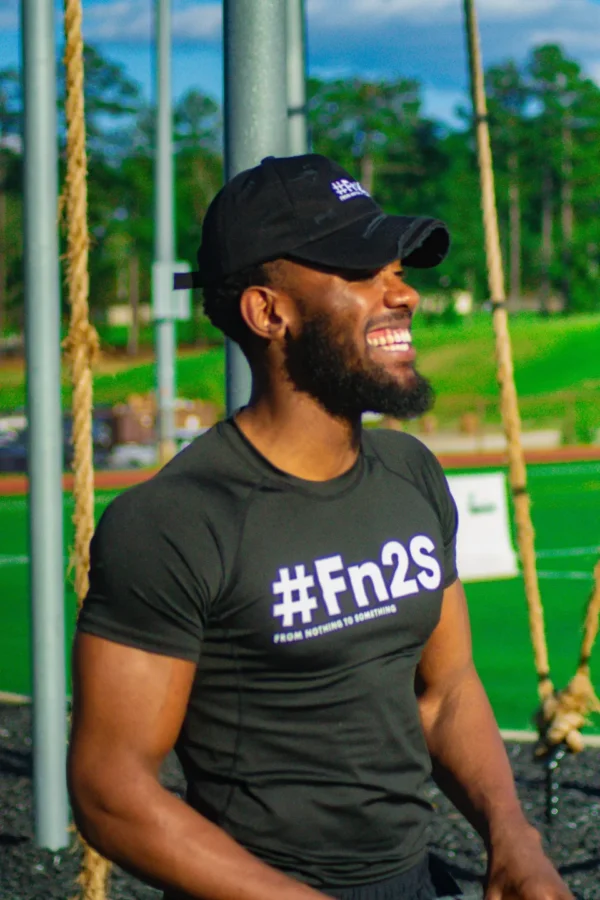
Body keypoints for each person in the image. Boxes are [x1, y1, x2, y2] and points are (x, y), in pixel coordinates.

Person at [68, 153, 572, 900]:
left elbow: (448, 690)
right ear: (269, 312)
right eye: (363, 273)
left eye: (398, 270)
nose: (403, 294)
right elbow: (112, 791)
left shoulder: (411, 475)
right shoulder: (173, 521)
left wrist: (513, 839)